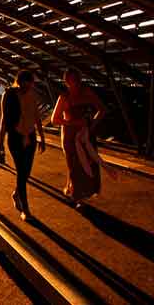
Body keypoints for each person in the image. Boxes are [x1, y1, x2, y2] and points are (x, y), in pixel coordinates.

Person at [51, 69, 106, 207]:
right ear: (67, 81)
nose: (75, 81)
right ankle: (77, 196)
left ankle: (77, 191)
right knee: (74, 165)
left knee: (88, 164)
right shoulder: (64, 97)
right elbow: (54, 119)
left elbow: (102, 109)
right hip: (70, 136)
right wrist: (72, 123)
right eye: (72, 79)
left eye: (77, 78)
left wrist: (91, 124)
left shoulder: (87, 92)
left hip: (86, 134)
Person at [0, 70, 45, 221]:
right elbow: (4, 118)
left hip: (31, 136)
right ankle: (26, 209)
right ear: (19, 82)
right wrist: (0, 143)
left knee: (26, 172)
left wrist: (42, 137)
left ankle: (16, 193)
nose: (29, 86)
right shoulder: (9, 95)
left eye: (30, 83)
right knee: (21, 171)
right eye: (26, 82)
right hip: (15, 136)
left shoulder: (32, 95)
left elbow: (37, 116)